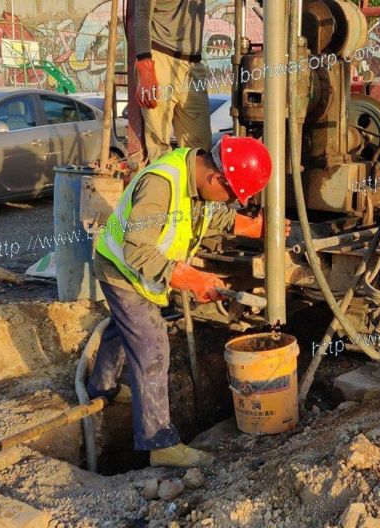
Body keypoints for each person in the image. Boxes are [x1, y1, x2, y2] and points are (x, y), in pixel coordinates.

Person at [88, 135, 278, 467]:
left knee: (123, 331)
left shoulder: (197, 183)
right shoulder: (161, 184)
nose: (231, 201)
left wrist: (256, 228)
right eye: (232, 194)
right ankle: (159, 442)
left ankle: (101, 389)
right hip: (121, 269)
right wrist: (192, 279)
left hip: (138, 273)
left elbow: (212, 219)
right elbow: (136, 249)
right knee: (152, 344)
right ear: (216, 177)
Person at [135, 0, 212, 164]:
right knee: (159, 144)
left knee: (200, 148)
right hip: (159, 56)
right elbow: (141, 16)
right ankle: (163, 187)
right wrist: (145, 68)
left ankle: (190, 189)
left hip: (193, 63)